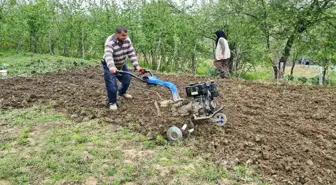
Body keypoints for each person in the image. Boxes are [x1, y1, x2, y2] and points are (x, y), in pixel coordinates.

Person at [102, 26, 143, 111]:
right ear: (116, 34)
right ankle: (112, 102)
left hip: (121, 63)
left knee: (127, 80)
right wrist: (111, 66)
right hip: (109, 65)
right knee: (112, 86)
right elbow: (108, 55)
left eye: (126, 35)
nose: (125, 37)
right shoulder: (110, 42)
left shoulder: (127, 40)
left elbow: (131, 53)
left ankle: (122, 92)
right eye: (123, 35)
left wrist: (136, 66)